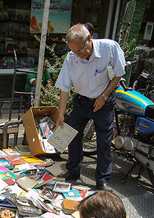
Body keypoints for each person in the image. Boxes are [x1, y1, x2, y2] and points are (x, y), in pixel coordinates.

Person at [55, 24, 125, 190]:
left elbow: (119, 73)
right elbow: (65, 87)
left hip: (103, 101)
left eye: (80, 50)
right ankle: (73, 171)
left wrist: (105, 96)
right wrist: (61, 114)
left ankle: (102, 179)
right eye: (74, 52)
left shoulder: (110, 48)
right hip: (82, 101)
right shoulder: (71, 58)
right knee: (71, 135)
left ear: (89, 39)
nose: (78, 55)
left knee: (104, 141)